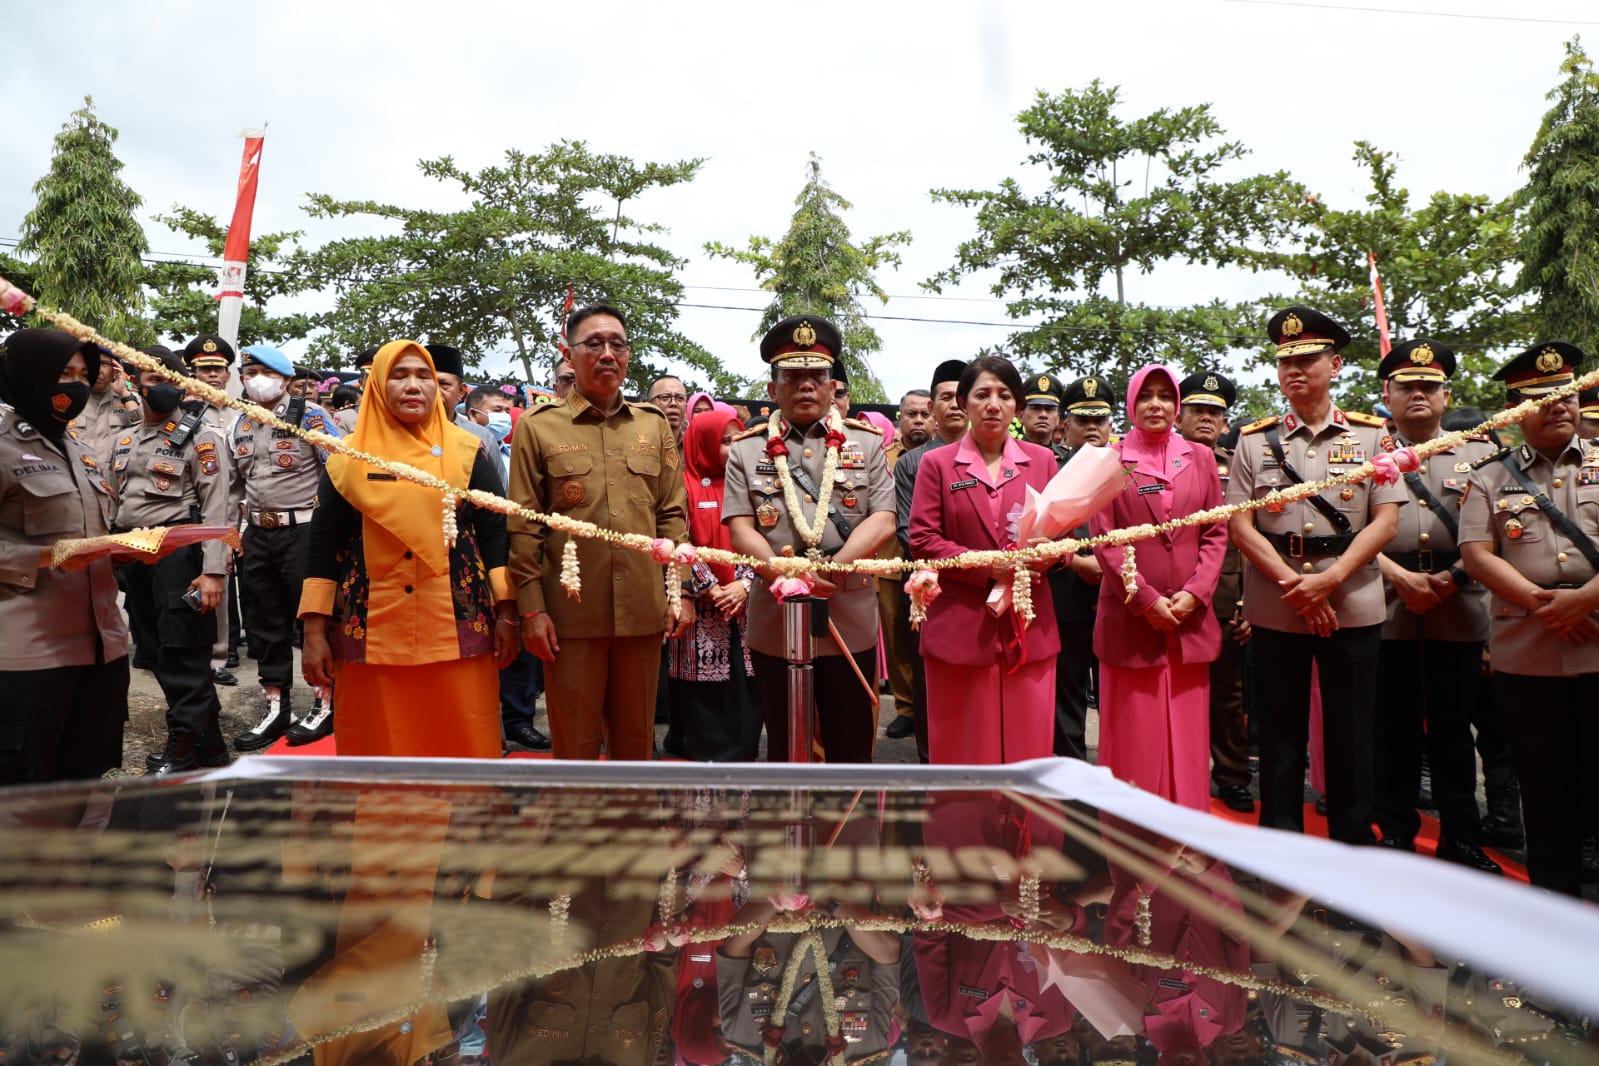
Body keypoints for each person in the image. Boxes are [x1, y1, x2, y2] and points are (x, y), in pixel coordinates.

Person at [1225, 307, 1402, 844]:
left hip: (1351, 598)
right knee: (1279, 730)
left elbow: (1387, 520)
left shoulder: (1373, 437)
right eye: (1286, 362)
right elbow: (1241, 526)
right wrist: (1295, 587)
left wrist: (1328, 581)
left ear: (1337, 364)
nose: (1294, 371)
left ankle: (1352, 840)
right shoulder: (1254, 441)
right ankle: (1279, 840)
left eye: (1307, 359)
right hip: (1279, 602)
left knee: (1352, 730)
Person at [298, 340, 518, 758]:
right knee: (379, 747)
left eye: (424, 376)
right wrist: (313, 632)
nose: (413, 386)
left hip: (458, 624)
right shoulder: (346, 461)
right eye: (399, 376)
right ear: (378, 386)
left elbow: (495, 535)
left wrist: (507, 613)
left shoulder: (468, 451)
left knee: (463, 743)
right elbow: (323, 548)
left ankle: (464, 825)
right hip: (371, 627)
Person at [507, 303, 693, 760]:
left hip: (644, 612)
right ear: (569, 356)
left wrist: (680, 592)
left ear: (628, 355)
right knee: (576, 743)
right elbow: (524, 528)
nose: (607, 353)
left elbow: (672, 516)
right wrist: (531, 610)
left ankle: (634, 829)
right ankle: (578, 832)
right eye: (593, 343)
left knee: (635, 744)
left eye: (617, 344)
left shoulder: (652, 426)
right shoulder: (538, 427)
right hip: (570, 615)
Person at [1459, 342, 1599, 897]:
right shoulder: (1489, 476)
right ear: (1515, 410)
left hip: (1597, 637)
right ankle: (1554, 900)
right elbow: (1476, 553)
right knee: (1544, 782)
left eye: (1566, 395)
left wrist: (1585, 599)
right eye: (1541, 398)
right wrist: (1547, 605)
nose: (1558, 406)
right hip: (1530, 648)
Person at [724, 315, 895, 763]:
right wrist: (780, 572)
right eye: (792, 376)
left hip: (849, 616)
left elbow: (883, 520)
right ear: (772, 389)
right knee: (785, 745)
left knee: (851, 745)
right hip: (776, 615)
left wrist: (831, 571)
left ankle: (851, 832)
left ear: (832, 385)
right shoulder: (746, 448)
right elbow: (741, 525)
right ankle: (787, 832)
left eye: (816, 375)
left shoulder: (868, 442)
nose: (805, 386)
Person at [1369, 339, 1502, 873]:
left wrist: (1449, 578)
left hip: (1460, 602)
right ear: (1388, 394)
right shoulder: (1362, 453)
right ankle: (1396, 830)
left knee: (1452, 730)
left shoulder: (1480, 454)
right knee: (1392, 728)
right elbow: (1351, 530)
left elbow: (1498, 531)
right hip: (1386, 603)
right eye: (1407, 387)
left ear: (1446, 396)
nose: (1418, 395)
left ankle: (1462, 838)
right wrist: (1400, 577)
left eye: (1429, 386)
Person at [910, 355, 1062, 764]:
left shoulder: (1042, 461)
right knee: (963, 753)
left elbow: (1062, 534)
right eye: (982, 394)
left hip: (1029, 624)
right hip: (960, 628)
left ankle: (1026, 829)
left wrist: (1051, 554)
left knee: (1027, 753)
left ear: (1018, 405)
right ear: (963, 402)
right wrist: (986, 567)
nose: (993, 404)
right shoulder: (936, 464)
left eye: (1004, 395)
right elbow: (923, 540)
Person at [1089, 365, 1226, 808]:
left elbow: (1214, 533)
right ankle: (1132, 828)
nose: (1156, 404)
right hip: (1131, 619)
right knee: (1134, 734)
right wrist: (1145, 598)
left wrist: (1196, 592)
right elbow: (1105, 540)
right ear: (1131, 403)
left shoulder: (1202, 458)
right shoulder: (1109, 460)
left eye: (1165, 396)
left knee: (1188, 734)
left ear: (1176, 406)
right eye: (1145, 395)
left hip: (1189, 620)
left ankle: (1187, 823)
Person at [0, 328, 130, 784]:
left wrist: (130, 550)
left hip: (101, 647)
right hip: (27, 655)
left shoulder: (79, 448)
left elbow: (89, 533)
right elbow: (57, 550)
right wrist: (46, 558)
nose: (73, 386)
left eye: (82, 374)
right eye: (62, 373)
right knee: (23, 792)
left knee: (84, 781)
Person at [111, 346, 233, 773]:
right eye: (149, 378)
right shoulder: (124, 438)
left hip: (179, 555)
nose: (160, 387)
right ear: (133, 383)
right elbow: (116, 502)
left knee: (184, 655)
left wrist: (214, 571)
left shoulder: (201, 437)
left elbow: (218, 509)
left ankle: (182, 749)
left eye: (167, 379)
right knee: (157, 653)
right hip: (133, 556)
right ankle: (212, 747)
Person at [229, 345, 343, 751]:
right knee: (264, 624)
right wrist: (231, 537)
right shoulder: (239, 422)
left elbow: (337, 474)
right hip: (258, 533)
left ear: (287, 380)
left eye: (264, 371)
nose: (255, 378)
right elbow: (234, 488)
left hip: (304, 532)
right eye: (248, 371)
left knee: (313, 622)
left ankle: (324, 702)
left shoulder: (310, 416)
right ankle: (276, 705)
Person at [1177, 371, 1253, 812]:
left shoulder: (1237, 467)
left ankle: (1232, 776)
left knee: (1228, 697)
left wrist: (1249, 604)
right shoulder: (1160, 461)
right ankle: (1180, 771)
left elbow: (1249, 537)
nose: (1205, 419)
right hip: (1170, 595)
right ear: (1180, 415)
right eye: (1197, 410)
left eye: (1214, 413)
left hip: (1225, 600)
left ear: (1226, 422)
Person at [669, 407, 762, 760]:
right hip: (703, 608)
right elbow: (678, 541)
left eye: (737, 438)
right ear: (704, 443)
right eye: (725, 441)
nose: (733, 446)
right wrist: (710, 586)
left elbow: (767, 535)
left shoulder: (754, 483)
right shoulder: (681, 486)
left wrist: (745, 584)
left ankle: (746, 762)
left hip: (748, 603)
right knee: (705, 695)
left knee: (748, 687)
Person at [893, 359, 970, 761]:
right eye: (945, 397)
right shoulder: (913, 462)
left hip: (987, 587)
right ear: (934, 407)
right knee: (929, 679)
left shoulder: (999, 456)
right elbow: (908, 532)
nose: (955, 405)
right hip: (928, 586)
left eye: (962, 396)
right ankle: (932, 761)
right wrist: (962, 563)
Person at [1051, 373, 1118, 762]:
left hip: (1119, 594)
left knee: (1115, 691)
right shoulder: (1049, 466)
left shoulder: (1128, 468)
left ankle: (1115, 766)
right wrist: (1076, 562)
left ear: (1111, 424)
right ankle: (1071, 773)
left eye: (1099, 420)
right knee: (1067, 692)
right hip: (1067, 592)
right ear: (1066, 425)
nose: (1091, 428)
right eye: (1082, 420)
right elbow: (1034, 530)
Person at [879, 389, 932, 741]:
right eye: (910, 414)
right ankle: (906, 707)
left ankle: (931, 704)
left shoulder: (945, 455)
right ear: (900, 419)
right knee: (897, 634)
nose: (918, 420)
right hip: (890, 559)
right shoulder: (883, 459)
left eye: (924, 414)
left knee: (927, 635)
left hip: (929, 561)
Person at [426, 344, 500, 466]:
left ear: (461, 392)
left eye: (444, 384)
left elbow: (498, 484)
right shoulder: (403, 432)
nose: (436, 391)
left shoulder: (482, 437)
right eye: (428, 382)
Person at [71, 343, 138, 466]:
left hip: (114, 480)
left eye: (104, 364)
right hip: (77, 478)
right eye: (92, 363)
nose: (98, 369)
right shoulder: (69, 398)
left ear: (116, 369)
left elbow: (145, 429)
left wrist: (123, 393)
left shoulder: (128, 400)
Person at [1019, 371, 1069, 457]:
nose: (1043, 415)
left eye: (1050, 409)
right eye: (1036, 408)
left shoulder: (1069, 460)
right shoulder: (1005, 454)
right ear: (1020, 415)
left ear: (1057, 418)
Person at [647, 375, 690, 441]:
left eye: (680, 398)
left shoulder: (693, 443)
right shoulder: (636, 441)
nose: (673, 403)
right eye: (665, 397)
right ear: (649, 405)